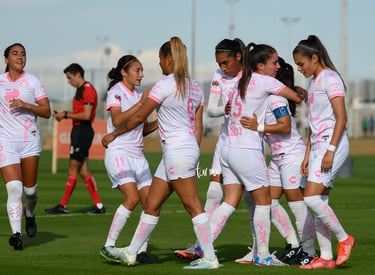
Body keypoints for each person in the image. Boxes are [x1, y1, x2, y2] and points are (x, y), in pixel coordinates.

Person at [101, 37, 221, 269]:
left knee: (193, 205)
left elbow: (137, 117)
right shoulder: (196, 87)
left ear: (168, 59)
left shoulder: (164, 85)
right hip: (183, 152)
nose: (159, 65)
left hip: (176, 153)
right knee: (152, 204)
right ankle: (131, 252)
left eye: (159, 60)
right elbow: (197, 126)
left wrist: (113, 135)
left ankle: (209, 257)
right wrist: (194, 156)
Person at [189, 43, 303, 267]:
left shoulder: (237, 82)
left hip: (227, 150)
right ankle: (263, 255)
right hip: (247, 150)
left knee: (229, 202)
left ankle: (207, 254)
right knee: (264, 202)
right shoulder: (265, 81)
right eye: (274, 62)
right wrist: (296, 90)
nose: (277, 66)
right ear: (260, 65)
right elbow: (296, 98)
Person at [173, 38, 256, 262]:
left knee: (252, 198)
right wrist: (224, 109)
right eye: (219, 63)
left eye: (226, 62)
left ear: (238, 57)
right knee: (213, 192)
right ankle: (201, 245)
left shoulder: (251, 75)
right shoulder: (219, 76)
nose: (222, 67)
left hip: (249, 145)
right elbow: (211, 110)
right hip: (225, 143)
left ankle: (260, 248)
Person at [239, 57, 315, 265]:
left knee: (295, 203)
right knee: (267, 202)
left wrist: (258, 127)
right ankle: (293, 243)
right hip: (277, 159)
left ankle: (309, 251)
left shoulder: (276, 100)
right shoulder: (266, 99)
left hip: (291, 156)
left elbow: (285, 127)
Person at [293, 34, 355, 269]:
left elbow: (341, 117)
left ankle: (344, 239)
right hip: (319, 145)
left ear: (315, 58)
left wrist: (330, 150)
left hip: (333, 144)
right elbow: (314, 123)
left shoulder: (330, 78)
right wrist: (308, 154)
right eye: (297, 65)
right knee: (319, 199)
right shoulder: (313, 81)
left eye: (302, 64)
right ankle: (326, 258)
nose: (300, 68)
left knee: (310, 197)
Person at [99, 55, 158, 264]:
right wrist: (141, 104)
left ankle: (141, 250)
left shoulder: (139, 94)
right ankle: (109, 245)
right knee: (132, 199)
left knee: (151, 204)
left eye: (142, 71)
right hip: (119, 152)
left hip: (138, 154)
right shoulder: (116, 92)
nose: (141, 75)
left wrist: (158, 122)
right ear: (124, 72)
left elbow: (140, 129)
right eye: (137, 70)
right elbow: (117, 120)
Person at [0, 43, 51, 249]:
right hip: (5, 142)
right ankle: (16, 234)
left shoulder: (33, 82)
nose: (20, 57)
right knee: (14, 188)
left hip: (29, 141)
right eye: (15, 54)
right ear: (6, 60)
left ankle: (30, 214)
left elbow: (46, 111)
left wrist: (26, 105)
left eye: (23, 54)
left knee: (30, 191)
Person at [45, 63, 105, 214]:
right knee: (83, 170)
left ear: (78, 74)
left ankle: (63, 205)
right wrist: (64, 115)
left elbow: (86, 115)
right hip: (79, 130)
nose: (68, 81)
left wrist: (65, 115)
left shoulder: (88, 90)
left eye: (69, 77)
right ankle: (98, 205)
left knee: (73, 168)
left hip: (82, 131)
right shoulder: (81, 90)